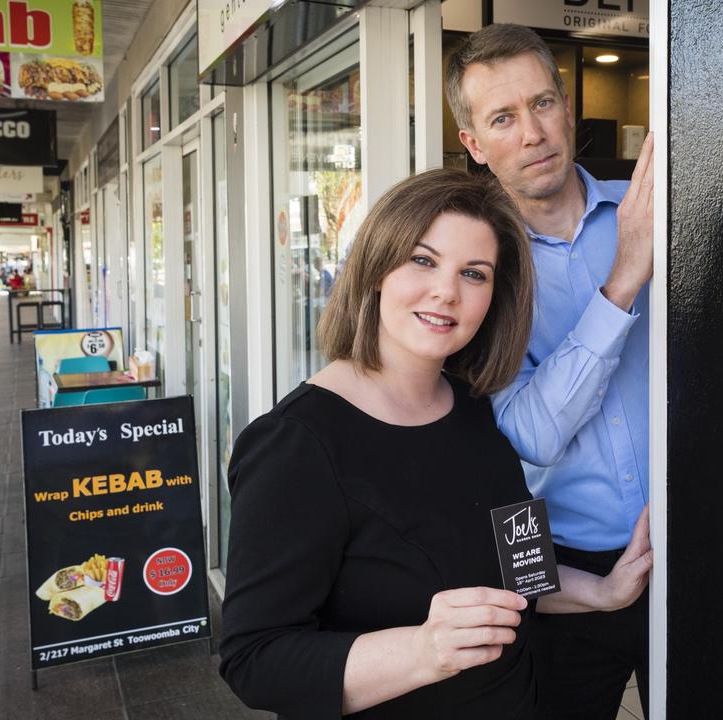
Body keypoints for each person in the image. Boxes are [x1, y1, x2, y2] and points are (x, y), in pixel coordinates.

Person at [218, 168, 652, 719]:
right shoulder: (295, 444)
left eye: (474, 274)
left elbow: (520, 572)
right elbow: (255, 660)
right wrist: (424, 651)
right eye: (423, 260)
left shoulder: (474, 407)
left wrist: (604, 592)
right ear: (375, 268)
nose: (446, 291)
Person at [445, 24, 655, 718]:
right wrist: (623, 280)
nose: (532, 132)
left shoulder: (651, 211)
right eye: (502, 118)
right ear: (474, 144)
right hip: (564, 566)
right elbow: (528, 435)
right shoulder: (477, 270)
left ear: (568, 108)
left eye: (542, 104)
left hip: (694, 539)